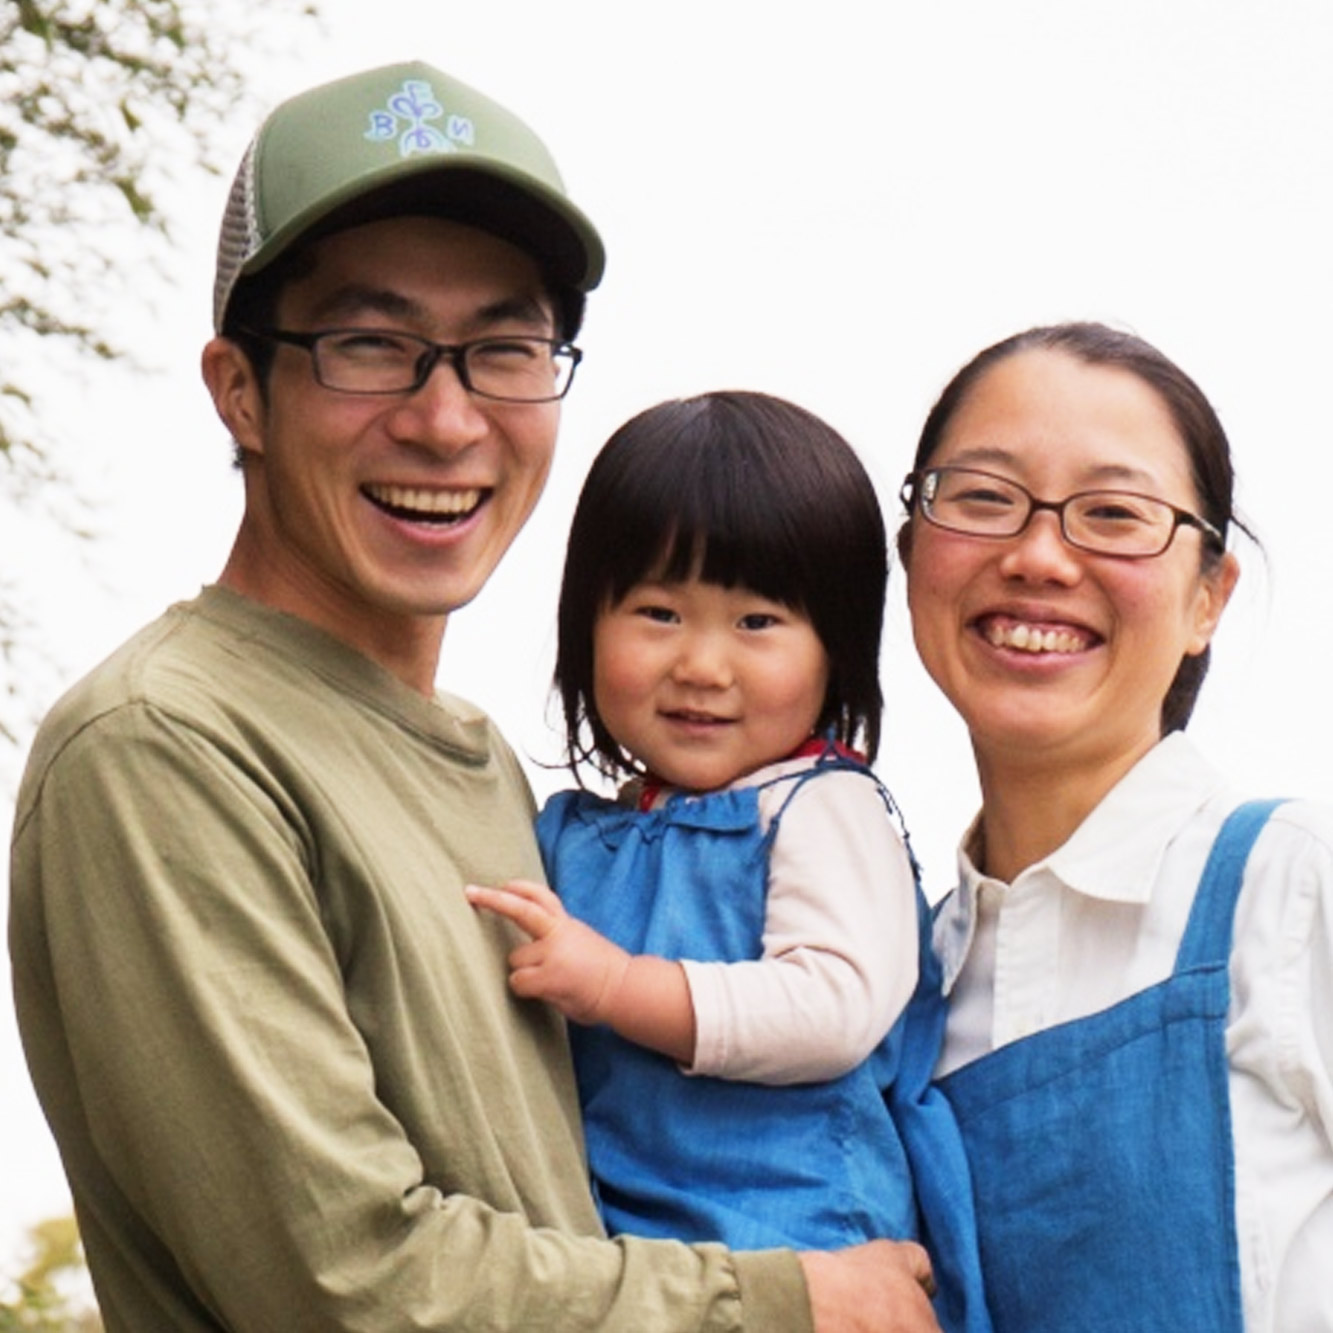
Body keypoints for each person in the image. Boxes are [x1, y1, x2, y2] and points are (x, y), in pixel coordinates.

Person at [8, 62, 941, 1333]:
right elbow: (344, 1286)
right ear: (241, 389)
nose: (447, 422)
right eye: (370, 345)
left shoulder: (493, 769)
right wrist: (788, 1303)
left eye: (503, 350)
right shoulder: (167, 746)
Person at [467, 392, 989, 1333]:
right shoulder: (571, 833)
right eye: (658, 612)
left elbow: (832, 1006)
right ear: (584, 627)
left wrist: (619, 983)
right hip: (634, 1268)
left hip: (801, 1246)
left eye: (756, 623)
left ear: (837, 653)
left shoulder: (821, 807)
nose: (703, 665)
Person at [896, 321, 1333, 1331]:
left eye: (1113, 513)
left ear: (1206, 601)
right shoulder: (892, 983)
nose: (1039, 554)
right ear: (911, 554)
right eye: (983, 497)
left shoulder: (1290, 886)